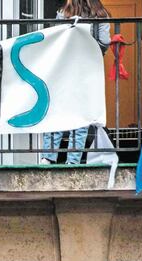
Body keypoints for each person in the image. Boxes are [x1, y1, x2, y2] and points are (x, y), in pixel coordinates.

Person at [40, 0, 111, 165]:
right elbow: (104, 42)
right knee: (81, 115)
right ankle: (73, 160)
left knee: (57, 111)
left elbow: (56, 40)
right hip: (87, 69)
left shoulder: (64, 12)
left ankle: (48, 157)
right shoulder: (100, 15)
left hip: (65, 68)